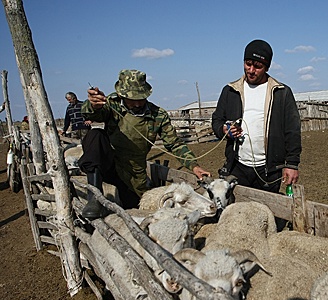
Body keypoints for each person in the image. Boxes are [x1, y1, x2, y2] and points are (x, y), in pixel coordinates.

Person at [79, 69, 211, 219]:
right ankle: (94, 198)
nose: (136, 103)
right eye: (131, 99)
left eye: (140, 98)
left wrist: (194, 165)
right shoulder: (111, 105)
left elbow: (174, 143)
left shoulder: (157, 115)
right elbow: (92, 114)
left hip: (134, 174)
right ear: (122, 95)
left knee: (134, 212)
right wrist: (93, 106)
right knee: (95, 135)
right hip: (110, 165)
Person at [211, 39, 301, 195]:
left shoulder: (281, 92)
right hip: (237, 167)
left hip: (268, 170)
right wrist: (224, 129)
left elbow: (292, 130)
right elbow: (216, 121)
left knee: (265, 213)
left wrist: (292, 164)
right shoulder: (230, 91)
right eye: (248, 64)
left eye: (258, 66)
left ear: (267, 67)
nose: (251, 70)